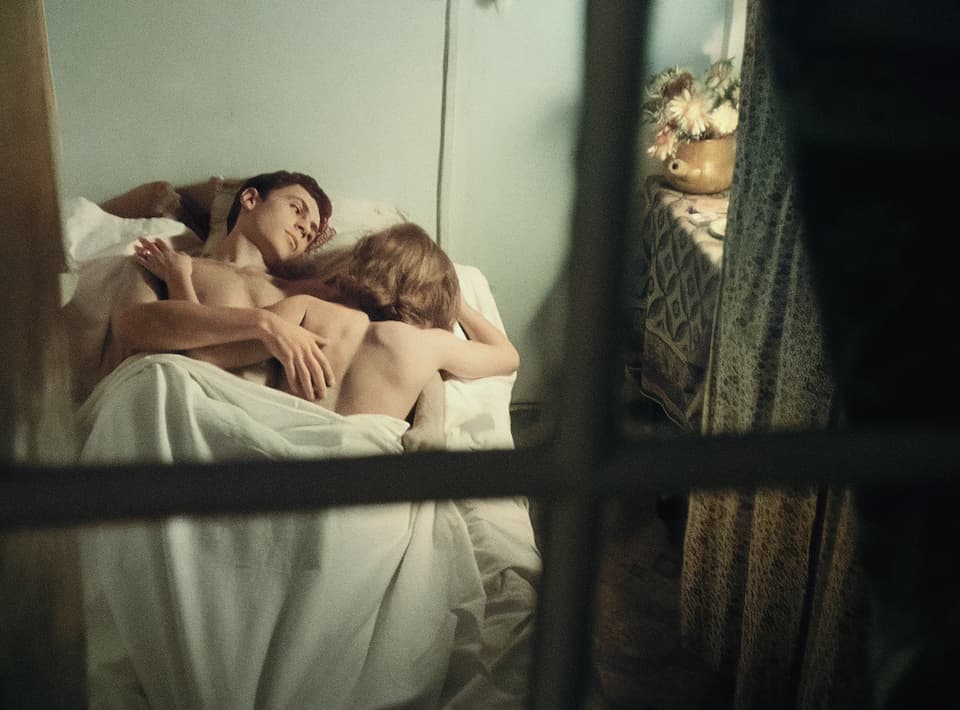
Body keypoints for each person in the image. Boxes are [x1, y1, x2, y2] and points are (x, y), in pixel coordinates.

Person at [133, 222, 520, 421]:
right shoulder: (430, 345)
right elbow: (507, 355)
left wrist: (179, 278)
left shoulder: (306, 310)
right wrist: (459, 304)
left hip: (290, 454)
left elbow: (203, 357)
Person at [103, 170, 364, 402]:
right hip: (172, 395)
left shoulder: (304, 293)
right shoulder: (169, 264)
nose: (304, 228)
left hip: (253, 417)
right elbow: (132, 326)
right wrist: (264, 323)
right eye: (297, 209)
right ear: (250, 199)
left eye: (310, 233)